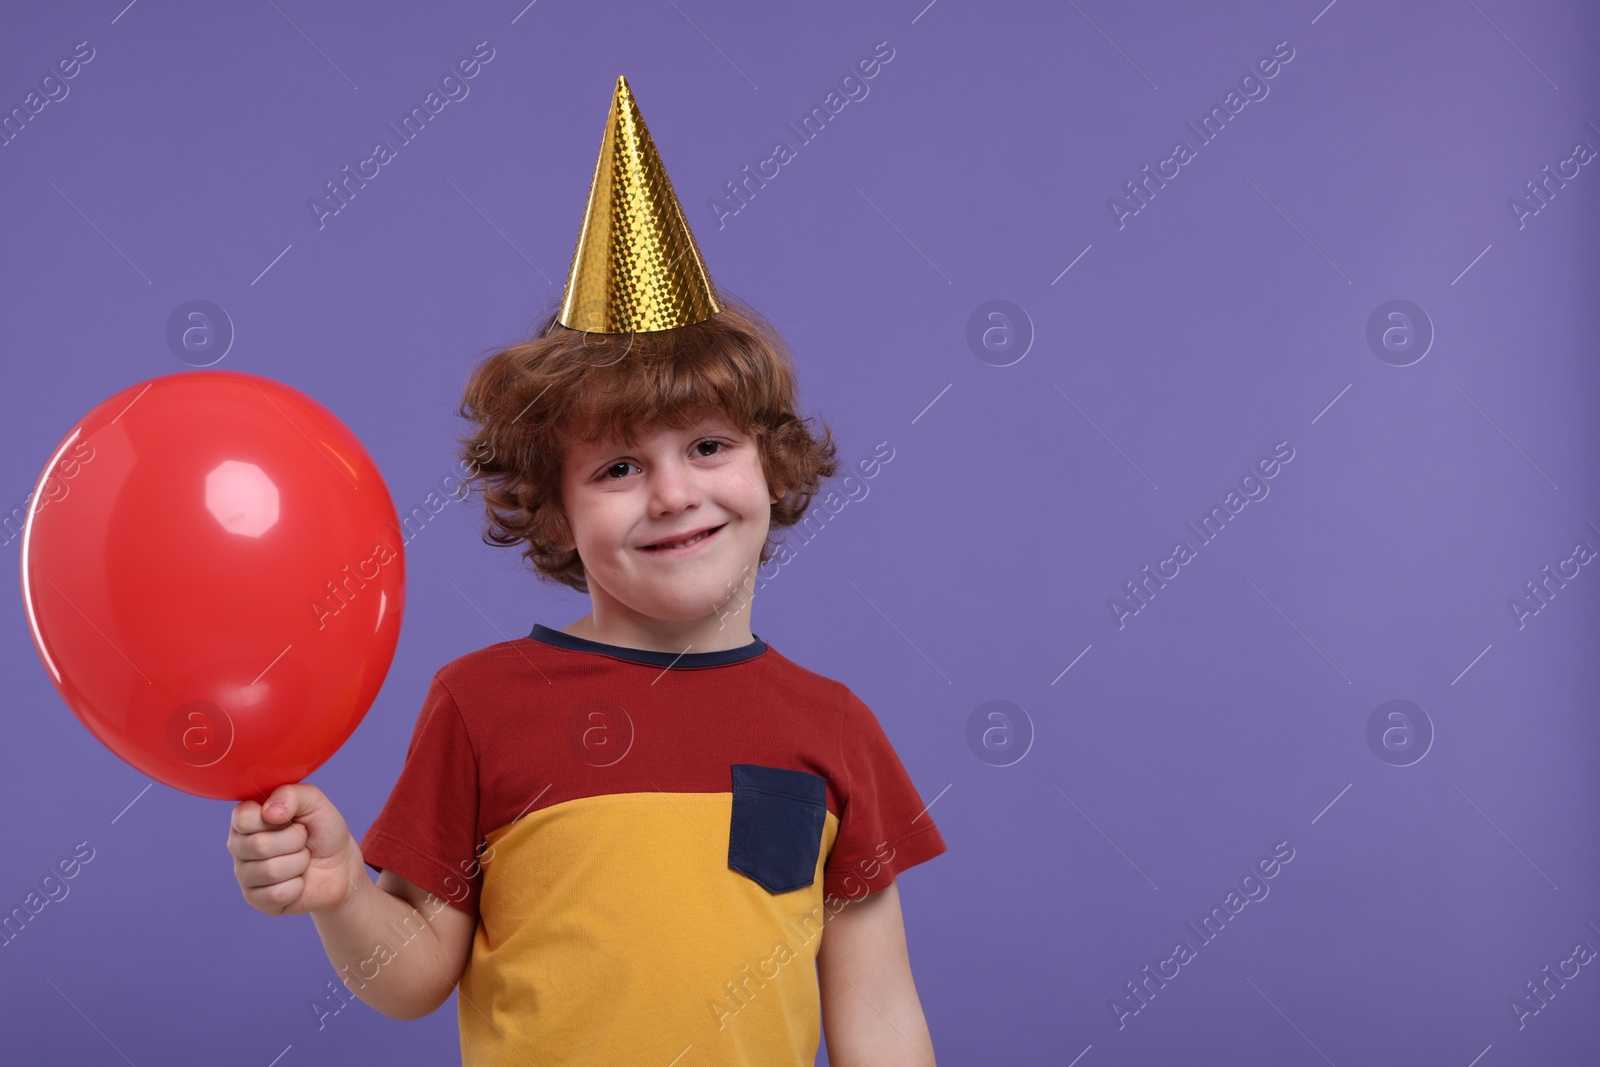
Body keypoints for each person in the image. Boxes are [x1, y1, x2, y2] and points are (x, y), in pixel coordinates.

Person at [226, 74, 947, 1066]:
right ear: (556, 513)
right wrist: (343, 887)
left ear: (770, 467)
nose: (672, 494)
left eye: (707, 447)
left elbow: (879, 1015)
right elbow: (414, 974)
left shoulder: (834, 729)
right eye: (617, 467)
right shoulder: (482, 704)